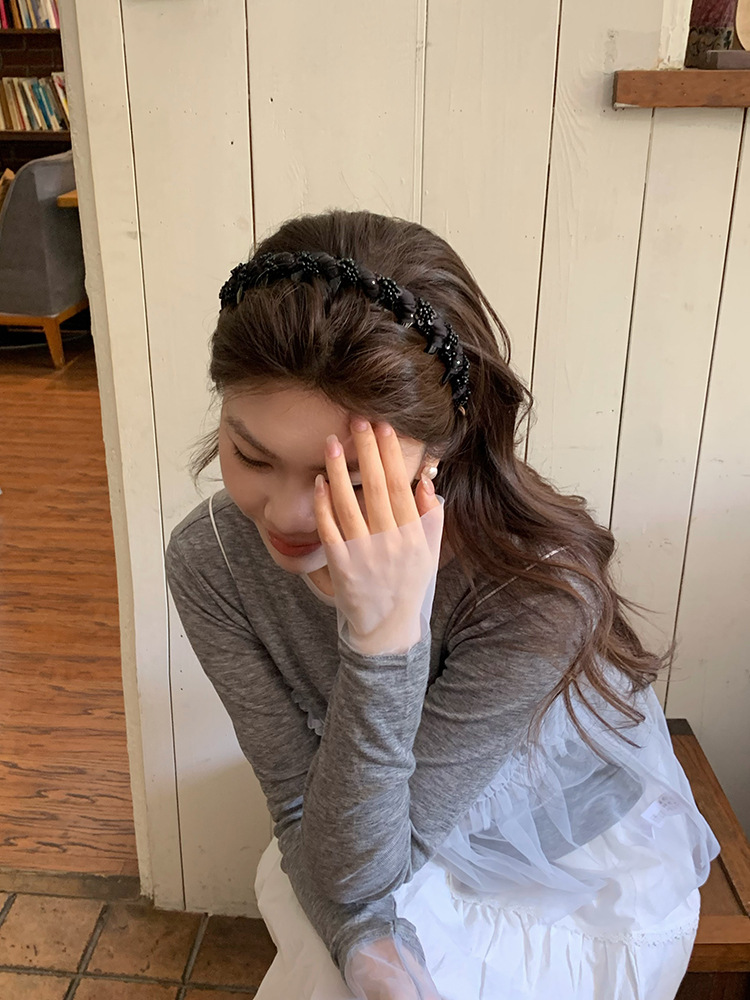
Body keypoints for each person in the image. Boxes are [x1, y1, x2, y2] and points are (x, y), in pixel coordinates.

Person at [165, 209, 719, 1000]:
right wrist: (364, 939)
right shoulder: (211, 560)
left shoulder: (535, 591)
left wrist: (385, 639)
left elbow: (360, 867)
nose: (285, 516)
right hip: (366, 819)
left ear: (443, 449)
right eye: (251, 455)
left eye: (349, 481)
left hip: (565, 862)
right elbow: (302, 809)